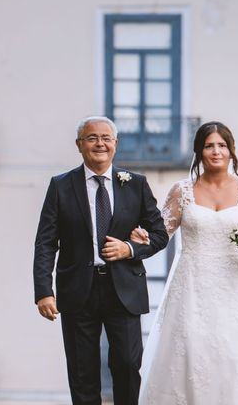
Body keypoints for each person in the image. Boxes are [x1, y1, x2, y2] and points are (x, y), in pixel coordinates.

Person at [33, 116, 169, 405]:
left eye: (106, 138)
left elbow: (160, 234)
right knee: (82, 373)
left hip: (124, 290)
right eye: (92, 137)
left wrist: (129, 249)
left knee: (128, 365)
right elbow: (45, 242)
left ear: (115, 144)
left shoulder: (136, 184)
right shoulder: (60, 186)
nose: (100, 143)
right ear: (79, 145)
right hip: (77, 290)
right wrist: (44, 291)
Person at [137, 121, 238, 404]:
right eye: (209, 146)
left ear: (231, 151)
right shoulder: (181, 190)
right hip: (192, 287)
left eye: (222, 146)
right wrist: (140, 237)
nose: (216, 151)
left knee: (233, 358)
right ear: (199, 151)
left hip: (235, 291)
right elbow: (161, 234)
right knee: (191, 355)